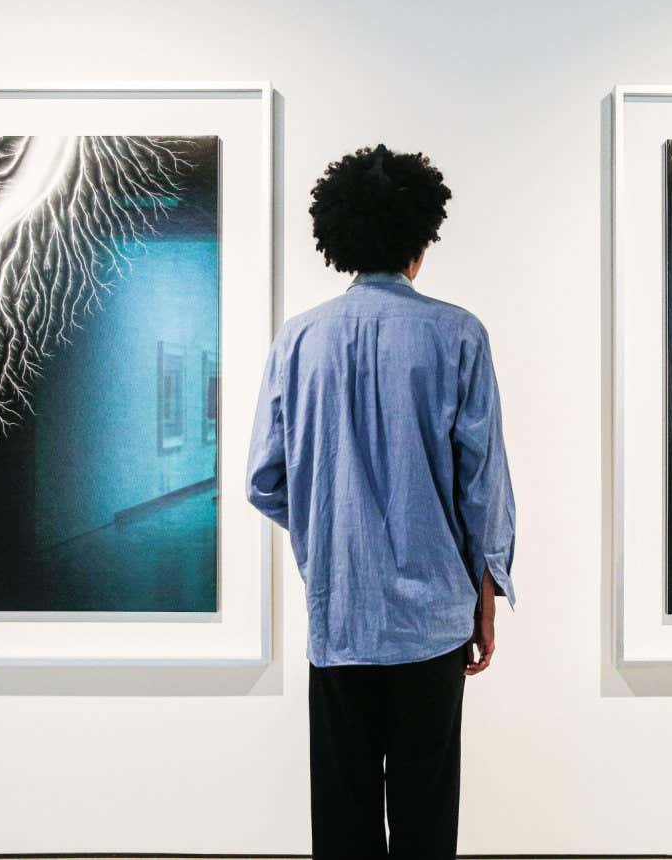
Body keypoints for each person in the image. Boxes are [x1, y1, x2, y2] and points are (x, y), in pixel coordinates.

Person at [246, 143, 515, 860]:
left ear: (341, 241)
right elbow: (480, 487)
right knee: (427, 815)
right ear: (420, 242)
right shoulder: (458, 334)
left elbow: (263, 479)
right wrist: (484, 596)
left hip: (340, 614)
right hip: (434, 618)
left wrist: (329, 528)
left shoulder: (298, 339)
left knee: (342, 816)